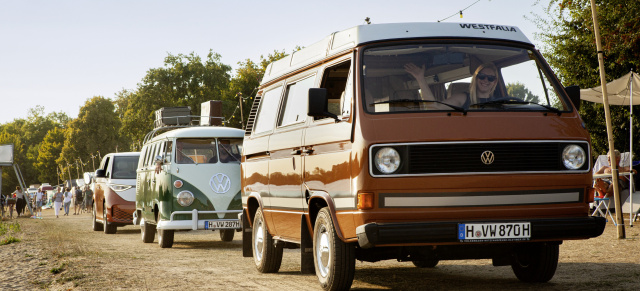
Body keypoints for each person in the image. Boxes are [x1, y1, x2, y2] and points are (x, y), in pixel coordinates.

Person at [404, 62, 500, 110]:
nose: (485, 80)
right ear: (475, 78)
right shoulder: (463, 98)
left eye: (490, 78)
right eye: (482, 76)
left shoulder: (499, 103)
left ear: (495, 82)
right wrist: (420, 77)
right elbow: (434, 108)